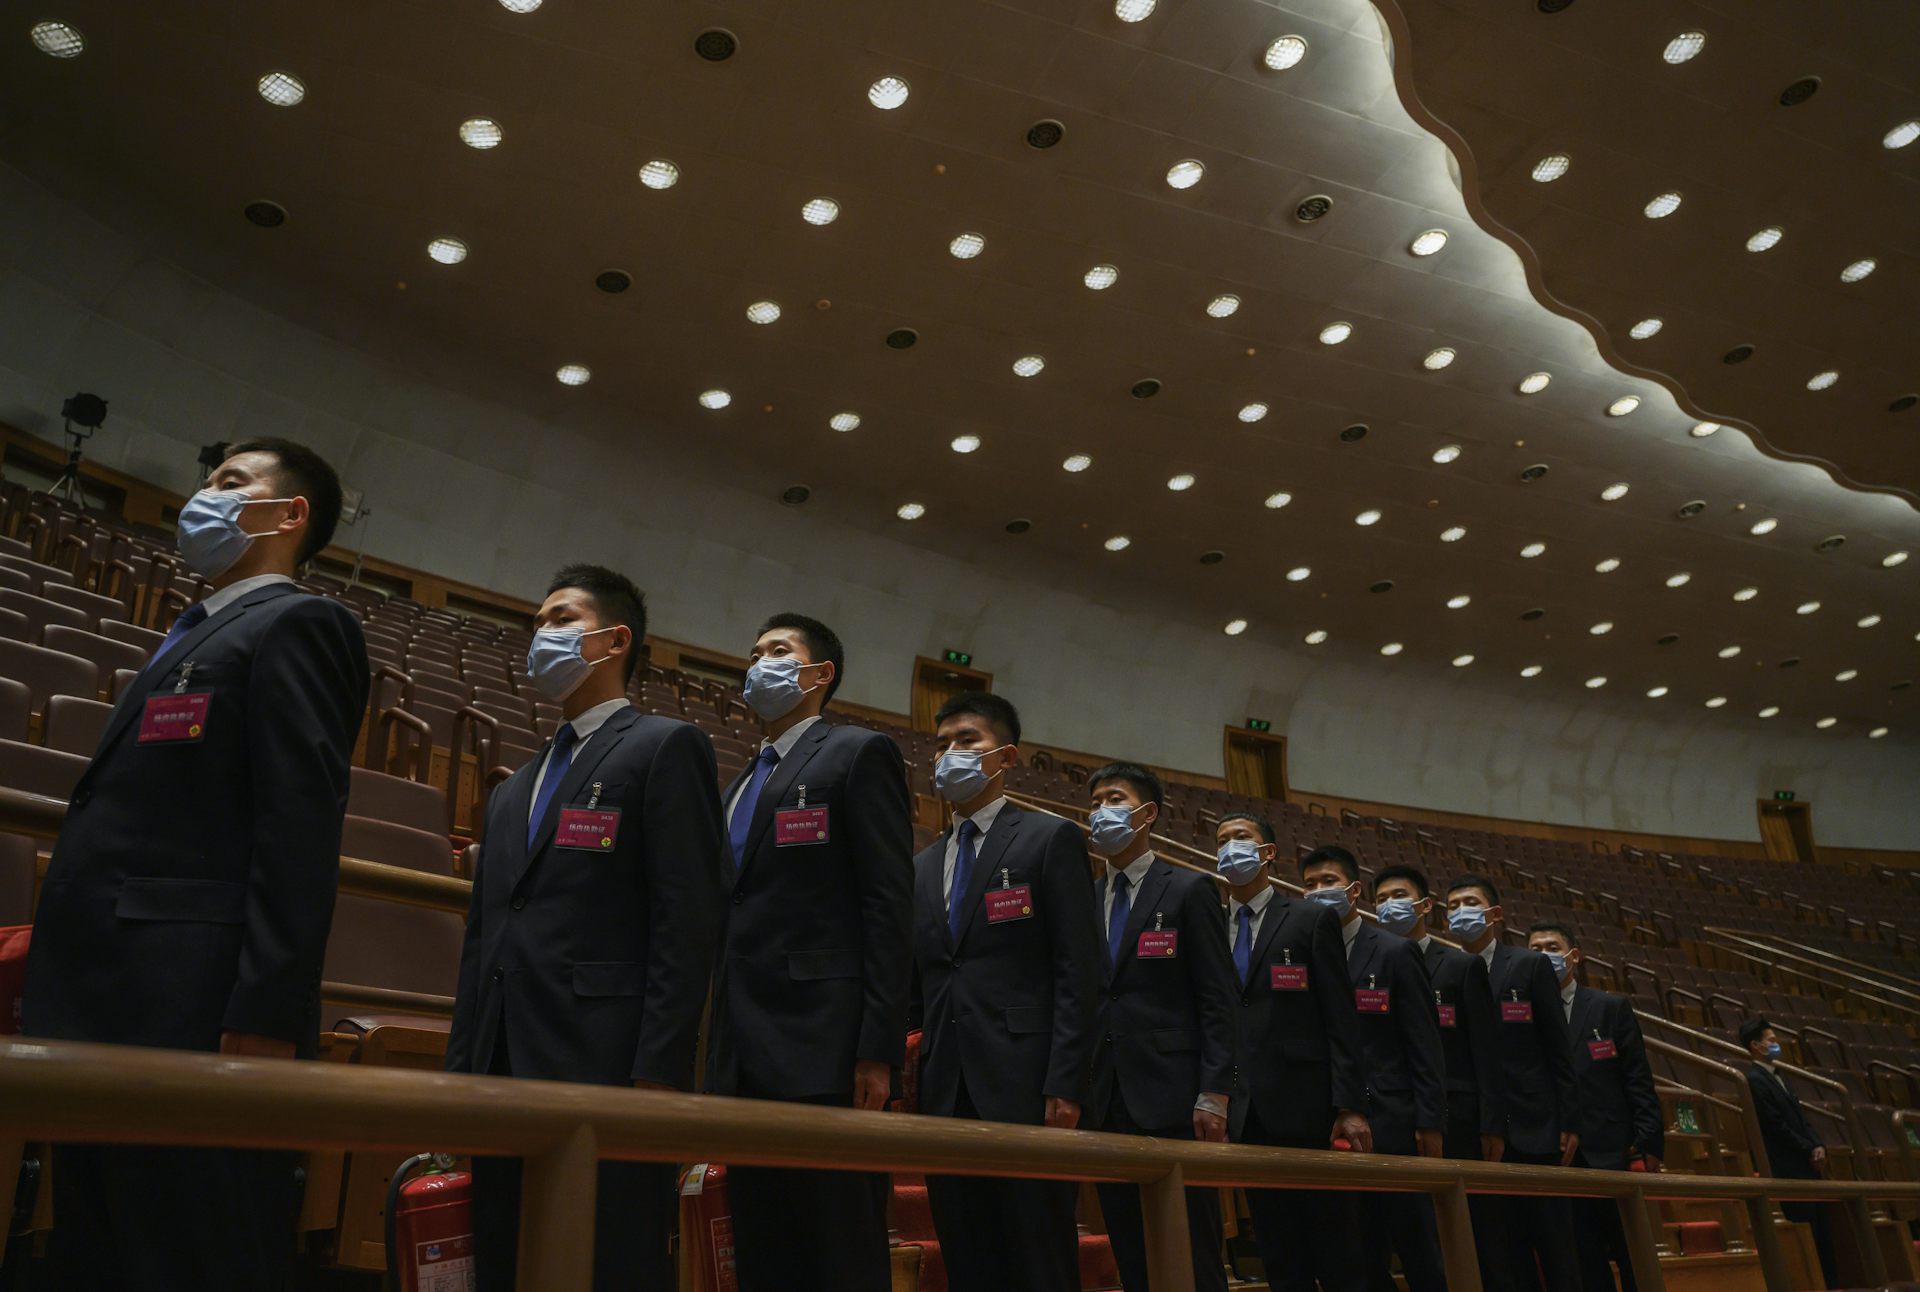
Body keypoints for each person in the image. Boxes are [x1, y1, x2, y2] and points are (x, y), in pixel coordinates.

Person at [23, 438, 368, 1290]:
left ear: (289, 515)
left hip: (191, 995)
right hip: (108, 988)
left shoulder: (298, 622)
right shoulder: (195, 629)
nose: (203, 498)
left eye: (229, 483)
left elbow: (298, 825)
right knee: (95, 1242)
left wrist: (269, 1009)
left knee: (186, 1248)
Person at [446, 565, 728, 1291]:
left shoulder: (664, 747)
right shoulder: (514, 788)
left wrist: (660, 1068)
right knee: (504, 1259)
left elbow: (686, 917)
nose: (542, 635)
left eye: (561, 619)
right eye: (537, 623)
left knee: (610, 1261)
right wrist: (459, 1076)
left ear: (614, 640)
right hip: (501, 1065)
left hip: (604, 1062)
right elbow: (484, 937)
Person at [705, 613, 913, 1292]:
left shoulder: (856, 753)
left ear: (818, 674)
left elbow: (886, 903)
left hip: (824, 1047)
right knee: (762, 1245)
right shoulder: (740, 783)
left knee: (838, 1247)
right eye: (755, 651)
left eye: (777, 651)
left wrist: (876, 1047)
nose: (758, 662)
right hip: (744, 1047)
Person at [909, 692, 1101, 1292]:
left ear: (1006, 756)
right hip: (946, 1084)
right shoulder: (924, 862)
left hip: (1026, 1081)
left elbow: (1079, 969)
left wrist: (1065, 1082)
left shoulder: (1050, 840)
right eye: (941, 745)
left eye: (967, 741)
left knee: (1037, 1255)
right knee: (968, 1254)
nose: (950, 754)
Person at [1084, 762, 1236, 1292]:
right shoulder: (1085, 894)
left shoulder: (1189, 890)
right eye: (1096, 800)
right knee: (1131, 1249)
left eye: (1115, 798)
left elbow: (1218, 999)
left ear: (1146, 814)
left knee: (1192, 1251)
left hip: (1174, 1097)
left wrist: (1214, 1091)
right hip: (1106, 1097)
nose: (1102, 810)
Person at [1218, 816, 1370, 1292]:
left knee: (1338, 1248)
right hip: (1247, 1111)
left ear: (1267, 853)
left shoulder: (1309, 918)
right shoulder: (1209, 921)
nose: (1229, 848)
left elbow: (1339, 1017)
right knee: (1279, 1252)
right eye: (1221, 841)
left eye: (1240, 838)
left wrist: (1349, 1105)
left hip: (1309, 1107)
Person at [1298, 846, 1447, 1292]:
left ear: (1354, 889)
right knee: (1356, 1255)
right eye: (1309, 884)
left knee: (1419, 1249)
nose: (1318, 891)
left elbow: (1424, 1045)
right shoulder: (1299, 950)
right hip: (1329, 1124)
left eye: (1328, 881)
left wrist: (1429, 1121)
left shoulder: (1395, 952)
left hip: (1394, 1124)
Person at [1373, 864, 1511, 1292]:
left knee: (1469, 1239)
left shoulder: (1459, 965)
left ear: (1424, 905)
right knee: (1411, 1238)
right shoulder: (1369, 962)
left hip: (1460, 1120)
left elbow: (1487, 1054)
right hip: (1394, 1117)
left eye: (1398, 895)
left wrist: (1493, 1123)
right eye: (1380, 900)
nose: (1389, 905)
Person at [1444, 875, 1580, 1291]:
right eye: (1452, 905)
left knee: (1556, 1248)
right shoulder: (1442, 970)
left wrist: (1568, 1121)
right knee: (1500, 1251)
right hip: (1477, 1133)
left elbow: (1559, 1050)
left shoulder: (1528, 965)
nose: (1460, 911)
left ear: (1495, 914)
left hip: (1535, 1127)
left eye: (1469, 902)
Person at [1524, 921, 1661, 1292]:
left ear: (1574, 956)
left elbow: (1637, 1078)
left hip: (1613, 1150)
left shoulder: (1609, 1007)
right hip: (1559, 1155)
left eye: (1551, 946)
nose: (1542, 955)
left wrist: (1648, 1140)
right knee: (1583, 1259)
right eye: (1533, 949)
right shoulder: (1521, 1013)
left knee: (1633, 1252)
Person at [1741, 1017, 1839, 1289]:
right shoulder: (1754, 1080)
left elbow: (1801, 1118)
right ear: (1755, 1046)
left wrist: (1818, 1144)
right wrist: (1808, 1148)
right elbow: (1775, 1126)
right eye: (1771, 1041)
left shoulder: (1779, 1076)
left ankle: (1829, 1284)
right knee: (1807, 1235)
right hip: (1789, 1167)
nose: (1776, 1045)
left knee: (1823, 1235)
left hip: (1807, 1163)